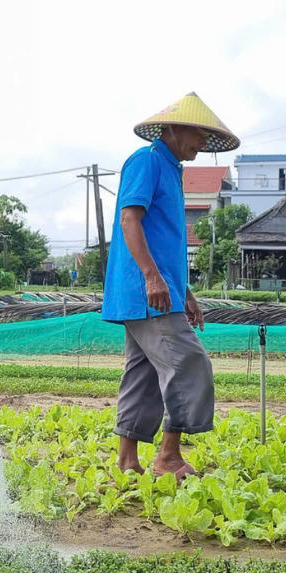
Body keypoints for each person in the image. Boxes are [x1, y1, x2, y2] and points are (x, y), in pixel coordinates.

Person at [102, 93, 240, 479]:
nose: (202, 145)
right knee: (189, 363)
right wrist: (150, 276)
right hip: (145, 292)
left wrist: (187, 294)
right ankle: (168, 457)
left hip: (157, 291)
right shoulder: (146, 161)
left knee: (142, 373)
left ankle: (128, 462)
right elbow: (130, 219)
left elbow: (168, 243)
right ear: (175, 129)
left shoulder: (171, 170)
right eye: (199, 136)